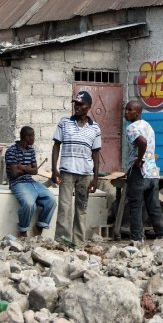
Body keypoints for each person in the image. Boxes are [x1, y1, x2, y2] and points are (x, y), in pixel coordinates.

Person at [51, 91, 102, 246]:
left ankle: (78, 243)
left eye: (81, 104)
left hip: (85, 175)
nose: (77, 107)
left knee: (81, 208)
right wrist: (54, 170)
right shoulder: (64, 123)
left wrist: (95, 177)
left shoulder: (95, 128)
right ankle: (62, 242)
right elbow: (56, 146)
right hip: (67, 172)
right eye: (76, 104)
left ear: (89, 106)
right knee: (64, 208)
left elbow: (96, 153)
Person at [124, 100, 163, 245]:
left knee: (135, 205)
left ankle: (137, 238)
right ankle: (162, 235)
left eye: (129, 110)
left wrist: (140, 159)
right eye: (126, 109)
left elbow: (142, 142)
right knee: (153, 205)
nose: (126, 112)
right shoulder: (148, 126)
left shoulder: (131, 127)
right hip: (152, 172)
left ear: (137, 112)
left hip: (139, 171)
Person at [6, 126, 56, 237]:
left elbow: (35, 171)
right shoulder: (11, 151)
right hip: (17, 183)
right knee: (29, 204)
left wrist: (22, 168)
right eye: (32, 136)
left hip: (31, 181)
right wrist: (28, 168)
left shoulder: (31, 151)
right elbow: (14, 174)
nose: (34, 138)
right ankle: (23, 230)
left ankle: (40, 225)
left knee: (51, 200)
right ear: (26, 137)